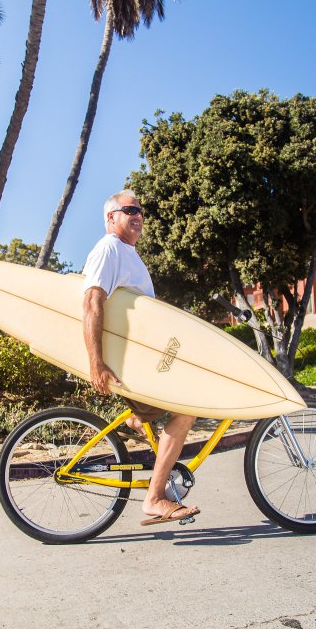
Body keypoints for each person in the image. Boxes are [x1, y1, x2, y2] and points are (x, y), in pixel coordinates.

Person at [81, 189, 200, 526]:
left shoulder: (127, 253)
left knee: (183, 399)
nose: (137, 215)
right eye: (129, 209)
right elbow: (92, 301)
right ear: (111, 217)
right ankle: (155, 497)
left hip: (143, 362)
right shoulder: (109, 249)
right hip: (130, 366)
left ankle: (136, 423)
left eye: (140, 211)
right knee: (186, 410)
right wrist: (96, 362)